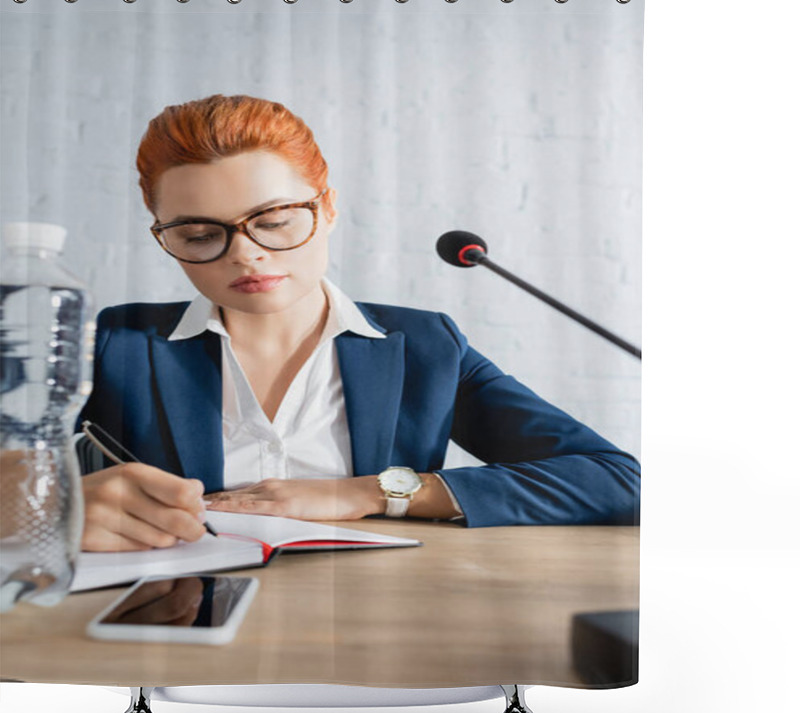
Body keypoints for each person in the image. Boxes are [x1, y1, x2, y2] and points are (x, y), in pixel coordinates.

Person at [76, 94, 640, 553]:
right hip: (175, 624)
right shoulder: (113, 344)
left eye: (273, 222)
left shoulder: (424, 347)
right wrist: (65, 506)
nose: (245, 255)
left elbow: (618, 481)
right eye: (198, 236)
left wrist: (371, 493)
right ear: (163, 235)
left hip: (378, 622)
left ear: (328, 209)